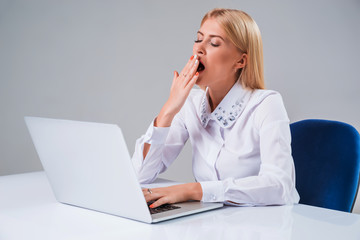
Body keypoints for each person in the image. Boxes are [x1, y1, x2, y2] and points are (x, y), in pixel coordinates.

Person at [131, 8, 300, 209]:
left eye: (214, 43)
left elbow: (279, 186)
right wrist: (168, 110)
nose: (199, 49)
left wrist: (194, 190)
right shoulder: (191, 104)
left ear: (241, 61)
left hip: (264, 225)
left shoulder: (266, 104)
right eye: (198, 39)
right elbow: (141, 175)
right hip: (211, 222)